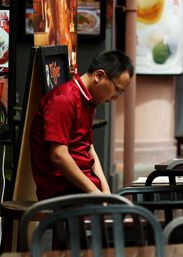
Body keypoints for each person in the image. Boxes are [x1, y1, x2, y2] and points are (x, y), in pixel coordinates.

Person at [30, 50, 134, 200]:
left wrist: (105, 192)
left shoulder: (88, 101)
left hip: (83, 189)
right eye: (117, 90)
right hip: (64, 192)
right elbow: (59, 155)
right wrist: (94, 192)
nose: (115, 98)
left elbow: (89, 149)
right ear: (99, 76)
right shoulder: (64, 100)